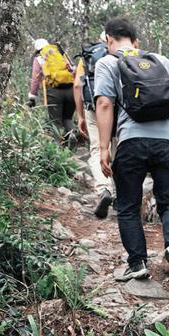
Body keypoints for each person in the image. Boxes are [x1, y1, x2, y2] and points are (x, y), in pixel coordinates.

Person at [94, 17, 169, 283]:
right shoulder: (157, 60)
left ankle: (137, 262)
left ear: (108, 40)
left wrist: (104, 148)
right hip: (168, 142)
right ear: (136, 41)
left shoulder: (107, 62)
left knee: (128, 206)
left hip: (131, 141)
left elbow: (105, 103)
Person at [72, 33, 115, 218]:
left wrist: (80, 116)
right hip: (117, 108)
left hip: (93, 108)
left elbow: (77, 85)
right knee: (117, 148)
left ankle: (104, 189)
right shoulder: (118, 55)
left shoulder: (88, 56)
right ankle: (122, 194)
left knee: (98, 149)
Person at [27, 38, 76, 146]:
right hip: (70, 89)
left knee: (55, 121)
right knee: (68, 117)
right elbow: (72, 69)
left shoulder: (39, 58)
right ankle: (71, 136)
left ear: (37, 49)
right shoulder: (60, 53)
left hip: (54, 92)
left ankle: (58, 148)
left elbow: (35, 79)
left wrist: (32, 97)